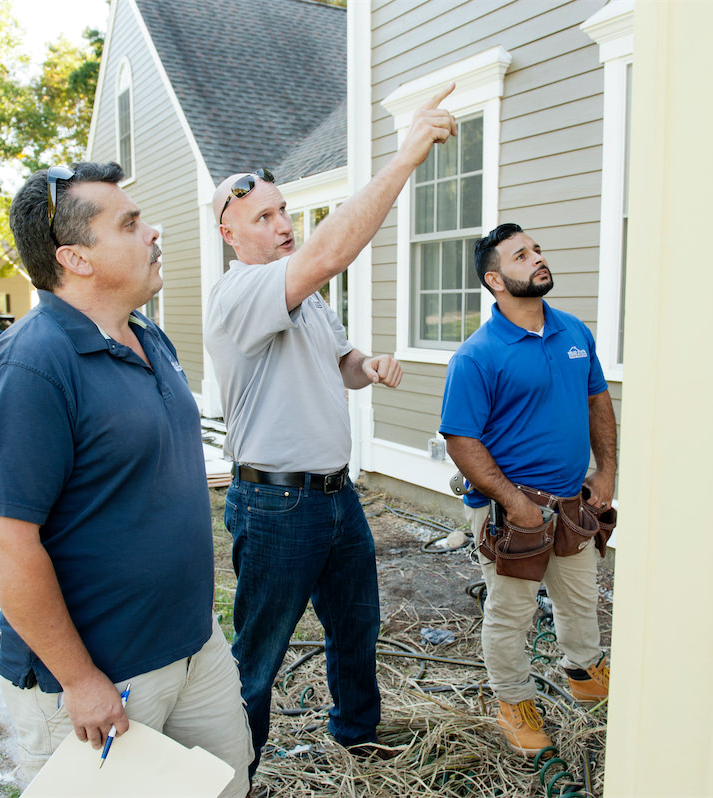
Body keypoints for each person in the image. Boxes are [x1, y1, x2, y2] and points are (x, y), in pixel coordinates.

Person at [0, 162, 252, 796]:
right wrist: (80, 680)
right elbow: (3, 543)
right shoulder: (33, 368)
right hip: (103, 681)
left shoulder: (148, 337)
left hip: (193, 647)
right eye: (129, 223)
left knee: (229, 786)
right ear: (76, 258)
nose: (154, 231)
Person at [203, 86, 457, 775]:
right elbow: (326, 254)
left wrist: (366, 366)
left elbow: (337, 364)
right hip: (276, 504)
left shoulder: (305, 300)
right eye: (265, 215)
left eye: (285, 210)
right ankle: (236, 776)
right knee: (259, 655)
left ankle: (356, 733)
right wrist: (406, 157)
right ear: (231, 234)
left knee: (356, 627)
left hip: (337, 498)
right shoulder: (241, 292)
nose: (283, 222)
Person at [439, 222, 618, 756]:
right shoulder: (478, 355)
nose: (537, 258)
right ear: (495, 279)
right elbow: (462, 442)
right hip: (509, 512)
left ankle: (585, 674)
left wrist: (606, 473)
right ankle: (513, 700)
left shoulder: (573, 333)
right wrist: (515, 505)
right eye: (521, 255)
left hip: (571, 503)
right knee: (511, 611)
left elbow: (598, 405)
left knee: (581, 599)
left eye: (537, 249)